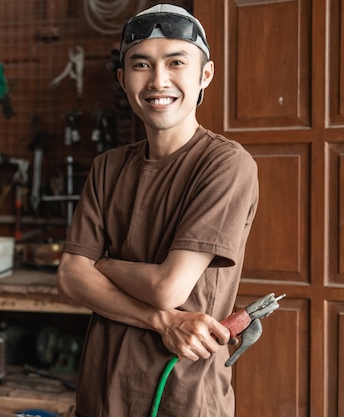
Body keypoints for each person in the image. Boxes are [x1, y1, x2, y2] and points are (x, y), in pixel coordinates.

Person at [56, 4, 259, 417]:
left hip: (181, 392)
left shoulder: (226, 164)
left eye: (176, 62)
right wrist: (164, 322)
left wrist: (103, 264)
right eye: (141, 65)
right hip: (101, 389)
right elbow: (69, 277)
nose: (158, 80)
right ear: (122, 78)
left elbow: (169, 288)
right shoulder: (108, 166)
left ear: (205, 75)